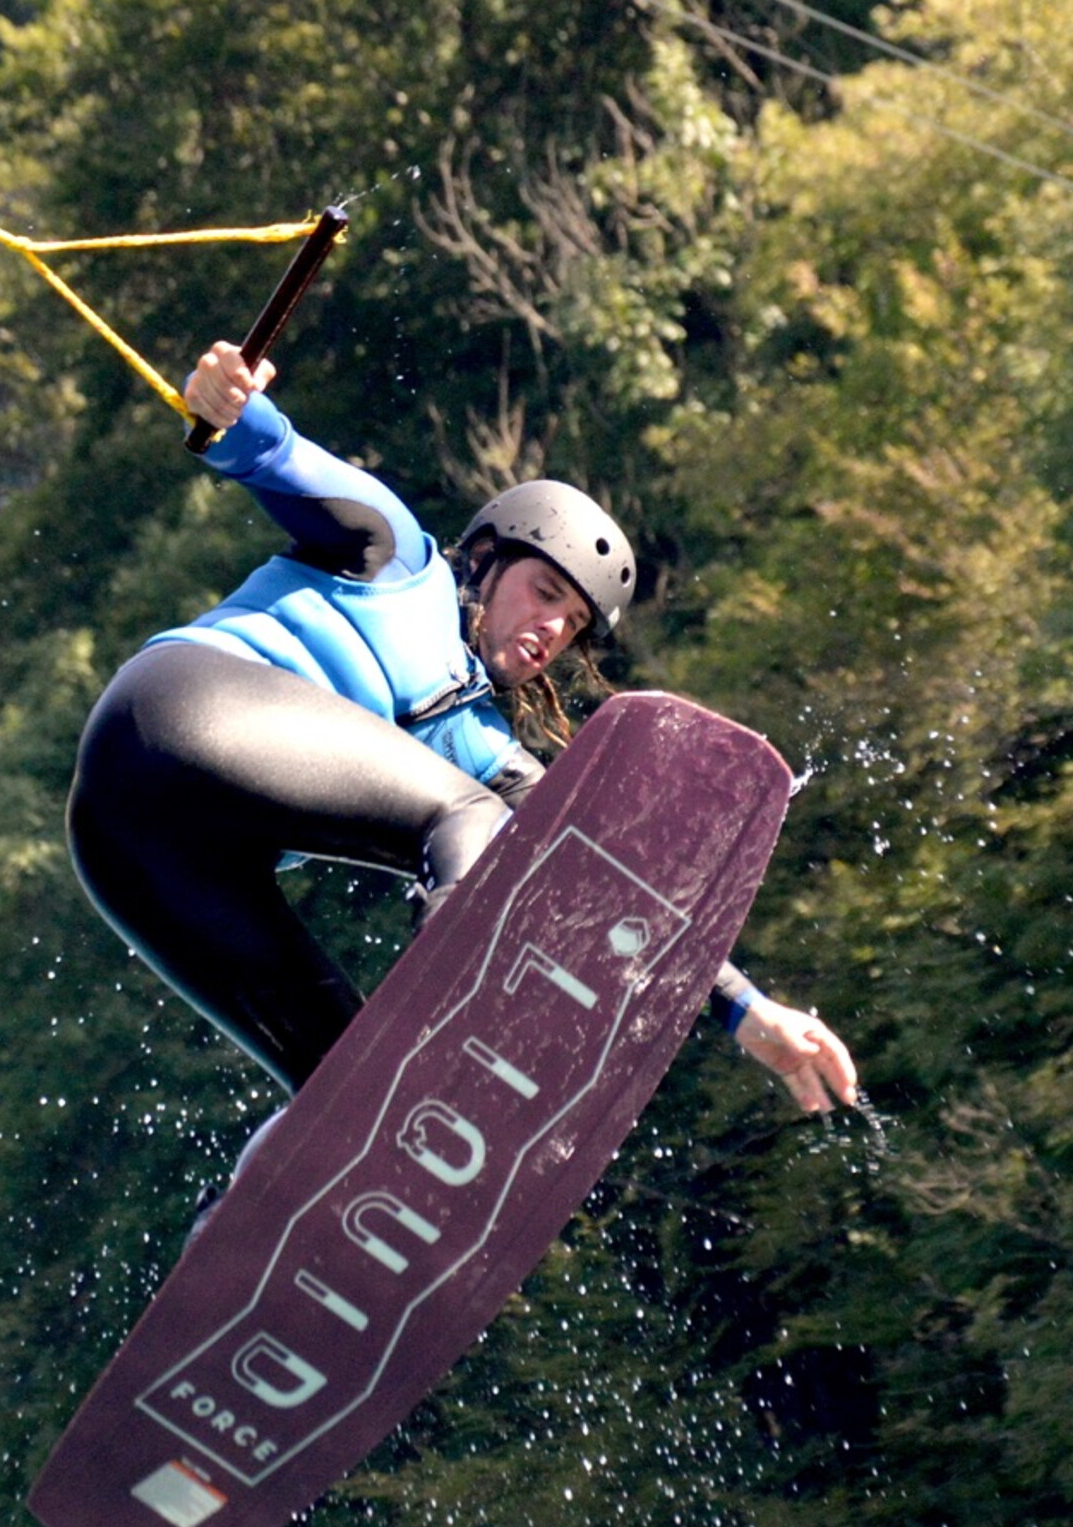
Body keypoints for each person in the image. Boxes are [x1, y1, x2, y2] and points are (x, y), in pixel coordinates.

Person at [67, 342, 861, 1127]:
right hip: (173, 711)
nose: (551, 628)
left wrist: (744, 1011)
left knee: (348, 1104)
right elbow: (274, 454)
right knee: (473, 820)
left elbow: (608, 878)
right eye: (544, 591)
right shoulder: (396, 556)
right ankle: (454, 1021)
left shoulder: (476, 747)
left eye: (574, 623)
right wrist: (228, 403)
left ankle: (245, 1218)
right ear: (483, 559)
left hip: (135, 847)